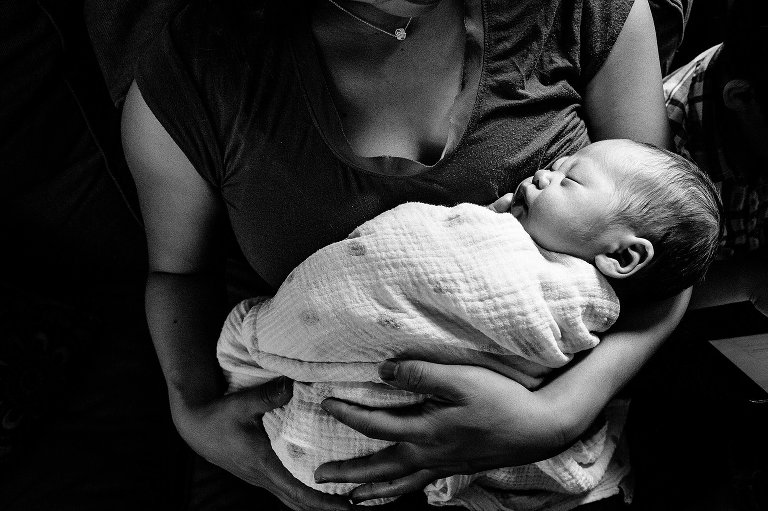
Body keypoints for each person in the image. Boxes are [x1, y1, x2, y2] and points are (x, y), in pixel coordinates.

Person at [120, 0, 687, 509]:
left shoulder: (587, 10)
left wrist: (557, 416)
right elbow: (177, 271)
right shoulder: (196, 68)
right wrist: (191, 414)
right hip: (323, 441)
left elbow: (673, 243)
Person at [216, 139, 721, 509]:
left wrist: (555, 418)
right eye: (552, 166)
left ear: (625, 257)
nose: (541, 176)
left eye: (569, 180)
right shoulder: (506, 237)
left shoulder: (576, 300)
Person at [663, 0, 768, 317]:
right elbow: (638, 297)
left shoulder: (752, 72)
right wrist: (753, 279)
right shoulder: (665, 152)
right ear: (740, 98)